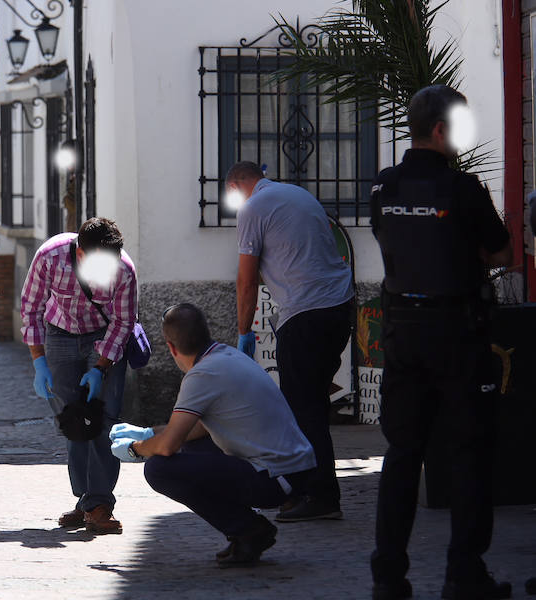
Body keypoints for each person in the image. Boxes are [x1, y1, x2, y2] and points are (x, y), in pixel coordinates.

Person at [368, 85, 513, 600]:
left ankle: (388, 577)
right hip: (456, 334)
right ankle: (464, 575)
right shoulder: (464, 190)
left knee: (402, 454)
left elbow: (391, 241)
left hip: (403, 334)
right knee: (468, 454)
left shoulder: (383, 188)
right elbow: (502, 254)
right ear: (440, 130)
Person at [110, 303, 316, 566]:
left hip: (277, 477)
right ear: (207, 332)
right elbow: (197, 429)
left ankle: (248, 529)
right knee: (192, 449)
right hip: (294, 469)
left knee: (159, 469)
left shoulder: (202, 375)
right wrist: (150, 433)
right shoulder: (226, 356)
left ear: (171, 347)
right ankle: (247, 528)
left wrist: (135, 449)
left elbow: (168, 446)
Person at [228, 160, 354, 522]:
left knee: (304, 408)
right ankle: (302, 489)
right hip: (339, 307)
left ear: (236, 186)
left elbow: (246, 280)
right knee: (310, 403)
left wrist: (243, 332)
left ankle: (321, 495)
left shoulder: (252, 207)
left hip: (305, 313)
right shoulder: (297, 194)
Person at [20, 217, 137, 534]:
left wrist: (101, 367)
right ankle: (85, 499)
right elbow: (31, 308)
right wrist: (38, 361)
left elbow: (124, 323)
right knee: (73, 420)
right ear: (80, 252)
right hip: (60, 336)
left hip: (103, 338)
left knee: (104, 420)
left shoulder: (123, 269)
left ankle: (99, 504)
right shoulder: (51, 255)